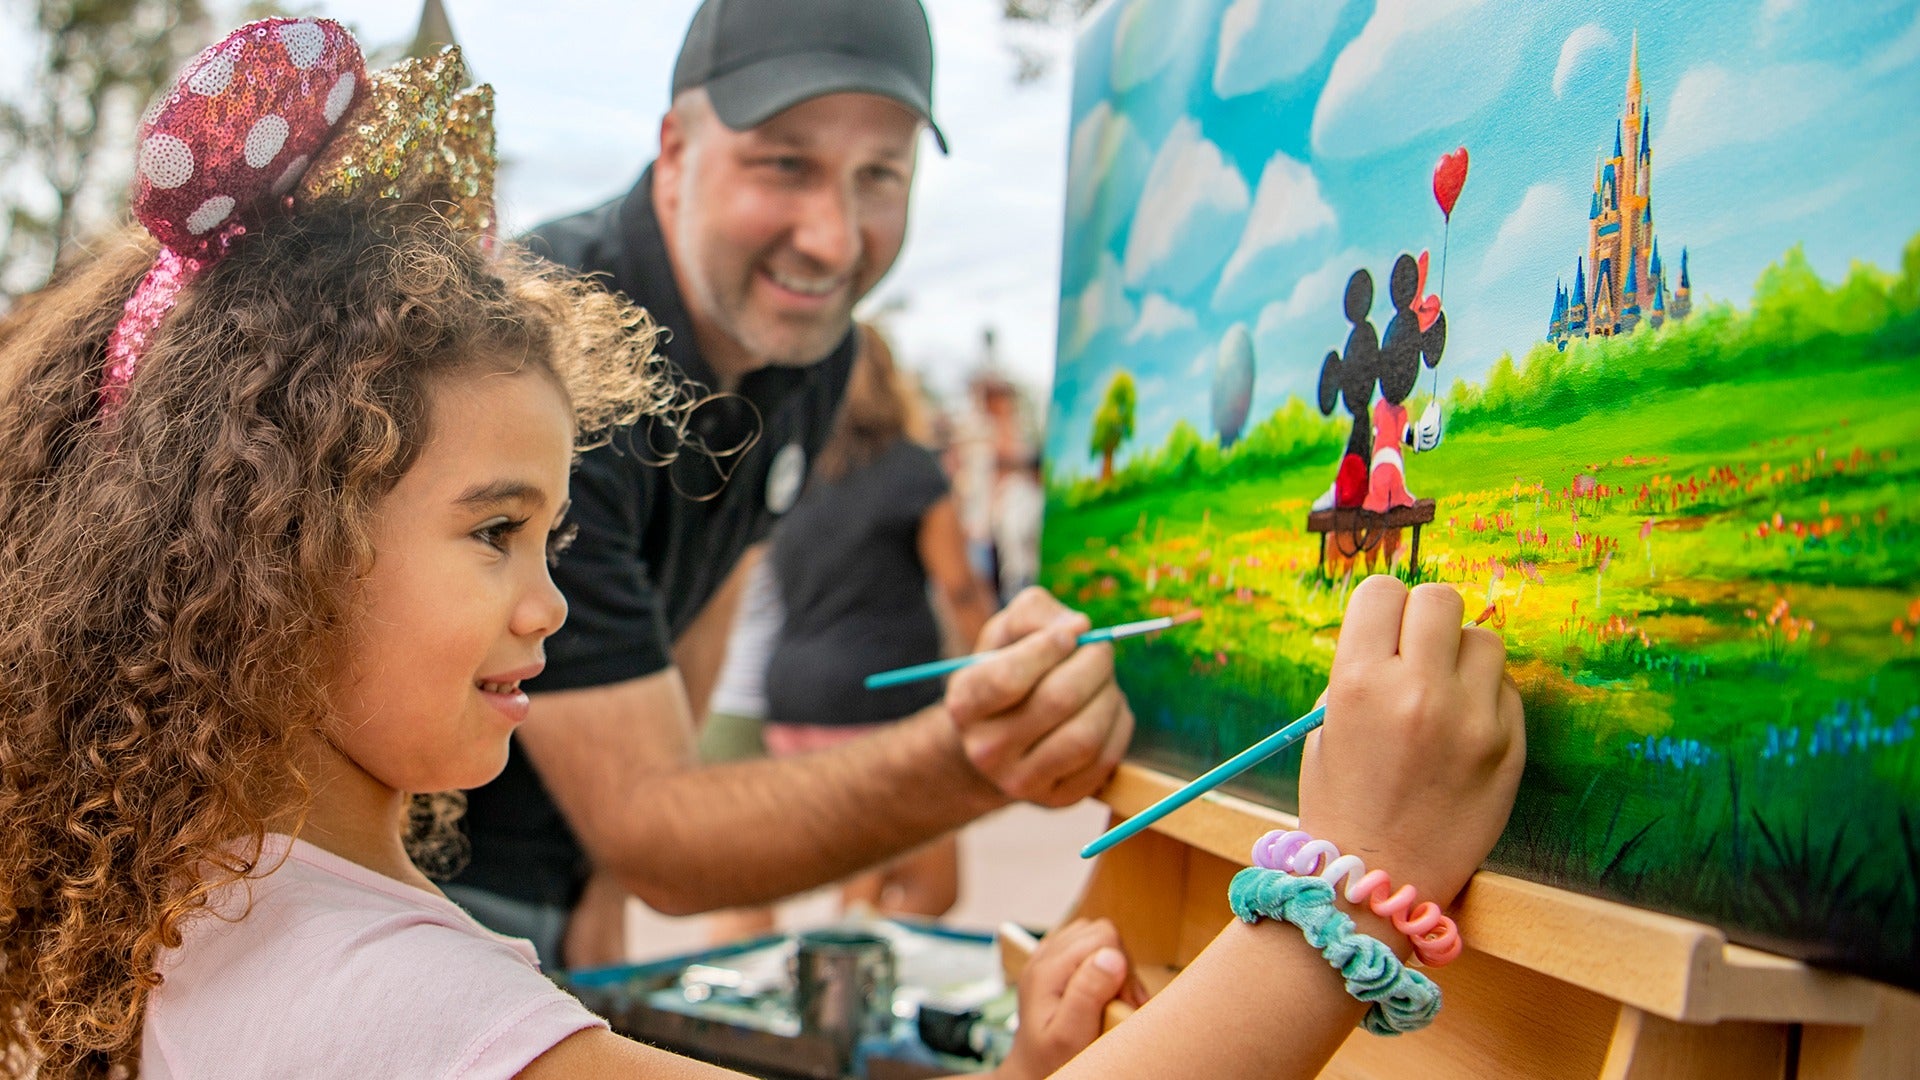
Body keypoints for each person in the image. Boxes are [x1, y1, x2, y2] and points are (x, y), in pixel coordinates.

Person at [451, 0, 1133, 969]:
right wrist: (982, 751)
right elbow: (657, 834)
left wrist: (600, 878)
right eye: (787, 164)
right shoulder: (552, 355)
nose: (835, 238)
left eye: (880, 175)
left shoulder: (810, 351)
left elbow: (711, 587)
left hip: (556, 877)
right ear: (676, 149)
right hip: (419, 877)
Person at [761, 324, 1000, 923]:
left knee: (865, 866)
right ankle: (847, 991)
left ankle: (846, 977)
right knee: (924, 883)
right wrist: (1001, 664)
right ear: (891, 381)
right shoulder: (912, 470)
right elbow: (960, 587)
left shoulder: (798, 471)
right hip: (878, 697)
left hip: (792, 698)